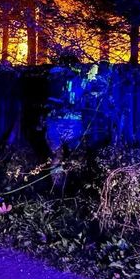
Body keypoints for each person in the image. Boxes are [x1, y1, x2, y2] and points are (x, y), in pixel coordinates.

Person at [42, 53, 97, 192]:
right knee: (59, 155)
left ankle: (72, 187)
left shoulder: (80, 80)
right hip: (60, 123)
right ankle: (58, 188)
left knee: (71, 155)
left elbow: (92, 93)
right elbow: (50, 100)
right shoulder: (56, 78)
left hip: (71, 125)